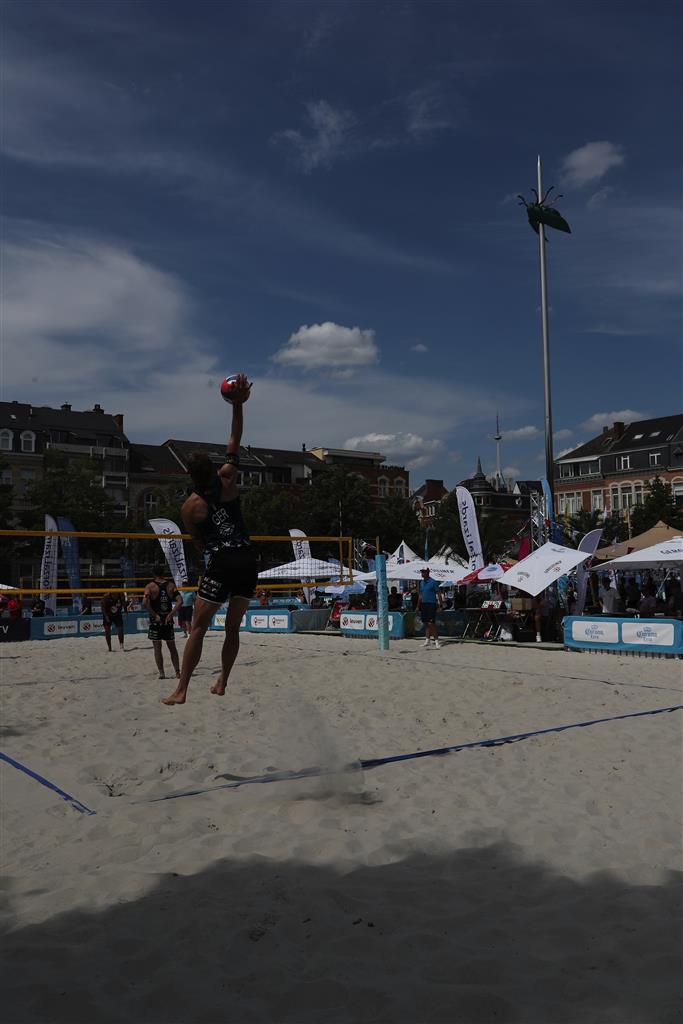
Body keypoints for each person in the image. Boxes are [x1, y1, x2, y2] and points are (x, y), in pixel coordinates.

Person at [162, 374, 257, 705]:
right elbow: (235, 437)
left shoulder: (189, 507)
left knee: (199, 628)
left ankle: (182, 689)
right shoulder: (228, 478)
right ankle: (222, 682)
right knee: (233, 629)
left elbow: (198, 542)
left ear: (189, 475)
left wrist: (209, 546)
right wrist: (237, 404)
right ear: (215, 467)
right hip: (247, 558)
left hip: (222, 560)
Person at [143, 571, 182, 679]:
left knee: (157, 648)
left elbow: (144, 603)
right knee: (172, 647)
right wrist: (171, 614)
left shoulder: (150, 586)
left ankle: (161, 673)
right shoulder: (171, 585)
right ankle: (177, 672)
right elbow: (180, 601)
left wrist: (155, 615)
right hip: (167, 620)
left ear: (153, 574)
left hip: (156, 620)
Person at [417, 567, 441, 649]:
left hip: (431, 604)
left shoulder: (433, 582)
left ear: (428, 572)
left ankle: (436, 641)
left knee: (431, 623)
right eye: (422, 572)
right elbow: (420, 595)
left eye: (424, 572)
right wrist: (418, 606)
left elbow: (439, 593)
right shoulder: (421, 582)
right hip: (423, 604)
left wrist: (440, 605)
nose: (422, 573)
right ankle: (427, 640)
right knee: (426, 623)